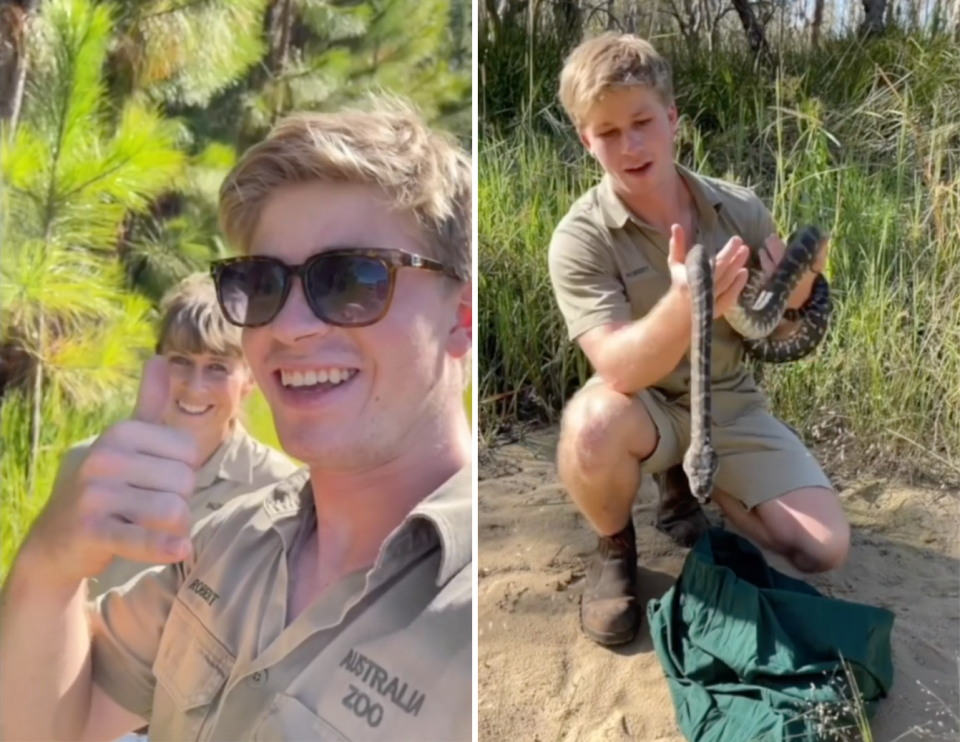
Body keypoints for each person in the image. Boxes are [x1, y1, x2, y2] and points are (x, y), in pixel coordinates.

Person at [0, 95, 473, 742]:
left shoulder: (472, 618)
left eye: (353, 281)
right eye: (264, 284)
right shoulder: (230, 541)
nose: (291, 326)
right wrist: (50, 567)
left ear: (462, 316)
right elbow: (57, 725)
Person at [546, 32, 849, 647]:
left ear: (672, 119)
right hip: (644, 404)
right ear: (586, 140)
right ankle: (616, 546)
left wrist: (797, 297)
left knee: (824, 549)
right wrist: (689, 301)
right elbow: (619, 369)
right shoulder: (579, 238)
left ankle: (690, 483)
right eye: (607, 132)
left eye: (642, 122)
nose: (629, 145)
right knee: (590, 425)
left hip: (728, 401)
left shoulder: (739, 210)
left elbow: (777, 339)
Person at [55, 272, 299, 603]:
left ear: (249, 379)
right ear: (155, 365)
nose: (195, 386)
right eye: (180, 362)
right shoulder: (89, 465)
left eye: (217, 367)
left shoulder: (281, 493)